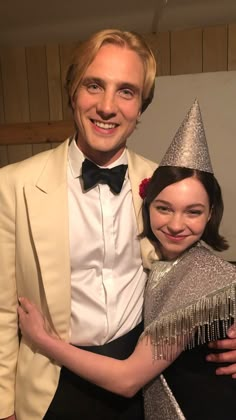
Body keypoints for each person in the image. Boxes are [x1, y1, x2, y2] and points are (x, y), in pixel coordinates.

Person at [0, 28, 235, 420]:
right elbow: (3, 310)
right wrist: (3, 406)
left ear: (141, 106)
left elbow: (199, 270)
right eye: (94, 86)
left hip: (141, 381)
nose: (108, 106)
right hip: (50, 384)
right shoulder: (13, 185)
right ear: (73, 92)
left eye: (126, 91)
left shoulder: (162, 184)